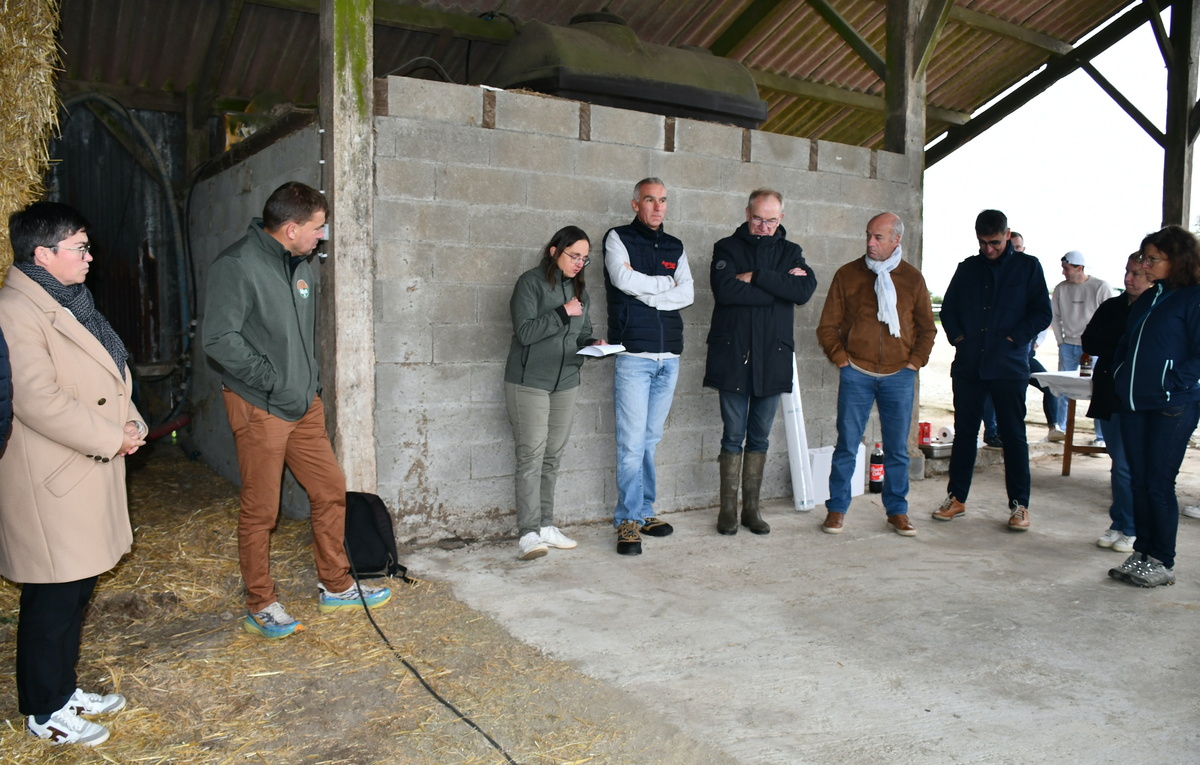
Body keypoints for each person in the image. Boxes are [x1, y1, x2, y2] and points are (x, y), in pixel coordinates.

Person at [203, 182, 390, 639]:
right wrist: (273, 380)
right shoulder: (237, 266)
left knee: (331, 488)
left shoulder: (299, 267)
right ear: (290, 229)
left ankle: (336, 584)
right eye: (317, 228)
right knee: (261, 510)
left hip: (303, 405)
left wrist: (308, 387)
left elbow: (297, 341)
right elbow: (219, 340)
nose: (321, 236)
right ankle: (261, 603)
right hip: (259, 406)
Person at [0, 202, 146, 746]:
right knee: (53, 599)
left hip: (81, 467)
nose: (90, 257)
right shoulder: (15, 311)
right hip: (52, 479)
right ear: (43, 254)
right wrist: (111, 437)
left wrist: (130, 422)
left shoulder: (66, 301)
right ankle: (44, 710)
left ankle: (61, 690)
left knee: (75, 590)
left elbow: (108, 373)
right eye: (80, 248)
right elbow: (37, 400)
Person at [705, 189, 817, 535]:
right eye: (758, 218)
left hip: (773, 357)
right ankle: (728, 509)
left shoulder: (791, 251)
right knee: (732, 435)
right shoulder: (727, 247)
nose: (764, 226)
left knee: (760, 437)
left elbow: (803, 292)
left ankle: (751, 509)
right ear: (747, 213)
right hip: (734, 355)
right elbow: (725, 291)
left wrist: (755, 277)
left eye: (771, 219)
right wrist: (779, 287)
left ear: (781, 218)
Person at [817, 212, 936, 536]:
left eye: (878, 237)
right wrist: (842, 359)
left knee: (897, 449)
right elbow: (827, 326)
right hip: (856, 371)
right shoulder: (848, 275)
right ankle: (837, 509)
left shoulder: (912, 279)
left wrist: (914, 363)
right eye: (868, 235)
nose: (870, 242)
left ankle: (897, 510)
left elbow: (927, 327)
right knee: (847, 445)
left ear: (897, 240)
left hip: (899, 375)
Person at [935, 209, 1051, 530]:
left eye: (995, 242)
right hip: (970, 365)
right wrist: (959, 338)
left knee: (1013, 436)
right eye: (983, 243)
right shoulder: (967, 268)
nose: (989, 249)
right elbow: (948, 309)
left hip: (1009, 366)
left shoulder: (1029, 268)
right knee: (965, 434)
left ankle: (1019, 506)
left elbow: (1042, 312)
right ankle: (956, 498)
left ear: (1008, 234)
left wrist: (1015, 338)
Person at [603, 177, 694, 555]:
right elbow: (620, 279)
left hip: (669, 356)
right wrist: (664, 286)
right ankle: (627, 520)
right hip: (634, 356)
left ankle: (645, 511)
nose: (657, 207)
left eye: (663, 201)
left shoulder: (676, 246)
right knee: (630, 442)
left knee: (650, 441)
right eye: (650, 200)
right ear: (635, 204)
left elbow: (687, 292)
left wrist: (648, 295)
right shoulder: (617, 238)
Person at [1108, 225, 1200, 588]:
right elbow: (1126, 345)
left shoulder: (1193, 298)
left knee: (1159, 483)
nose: (1144, 265)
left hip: (1172, 406)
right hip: (1134, 403)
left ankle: (1162, 560)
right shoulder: (1149, 298)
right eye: (1143, 257)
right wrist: (1119, 375)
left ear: (1176, 260)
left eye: (1152, 259)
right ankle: (1142, 552)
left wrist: (1170, 382)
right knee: (1141, 481)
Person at [504, 226, 602, 560]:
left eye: (585, 258)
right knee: (530, 455)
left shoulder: (579, 290)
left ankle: (546, 525)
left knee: (552, 456)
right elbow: (526, 332)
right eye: (574, 255)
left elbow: (582, 332)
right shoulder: (529, 283)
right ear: (554, 251)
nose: (579, 263)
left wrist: (594, 344)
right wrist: (563, 312)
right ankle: (528, 534)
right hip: (529, 381)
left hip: (566, 383)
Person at [1082, 253, 1153, 554]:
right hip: (1108, 392)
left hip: (1135, 397)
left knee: (1127, 466)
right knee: (1117, 464)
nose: (1128, 279)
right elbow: (1089, 341)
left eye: (1136, 274)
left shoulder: (1155, 309)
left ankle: (1132, 528)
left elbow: (1141, 349)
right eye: (1127, 272)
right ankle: (1119, 522)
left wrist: (1115, 342)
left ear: (1152, 277)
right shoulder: (1112, 306)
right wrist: (1118, 342)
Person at [1051, 251, 1112, 444]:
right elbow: (1054, 316)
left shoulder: (1100, 287)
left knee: (1098, 388)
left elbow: (1110, 317)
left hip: (1093, 347)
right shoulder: (1061, 289)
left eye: (1067, 269)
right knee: (1064, 389)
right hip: (1068, 345)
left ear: (1080, 268)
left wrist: (1101, 343)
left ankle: (1100, 436)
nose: (1064, 273)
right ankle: (1060, 430)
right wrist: (1061, 341)